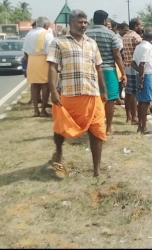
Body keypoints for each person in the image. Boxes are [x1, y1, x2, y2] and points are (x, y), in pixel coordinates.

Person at [47, 9, 108, 177]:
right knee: (61, 127)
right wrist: (53, 91)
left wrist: (104, 90)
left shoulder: (92, 43)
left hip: (92, 93)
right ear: (71, 23)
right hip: (69, 94)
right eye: (80, 22)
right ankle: (58, 151)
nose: (83, 25)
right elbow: (52, 67)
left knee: (97, 130)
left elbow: (99, 68)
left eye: (85, 22)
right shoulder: (58, 42)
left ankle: (96, 170)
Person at [85, 10, 127, 136]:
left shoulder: (85, 34)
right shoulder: (111, 35)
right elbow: (117, 56)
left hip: (89, 70)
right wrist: (123, 73)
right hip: (108, 70)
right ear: (105, 21)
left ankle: (92, 126)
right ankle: (108, 127)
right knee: (110, 99)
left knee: (92, 98)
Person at [22, 16, 55, 117]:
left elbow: (25, 50)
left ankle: (36, 110)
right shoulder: (47, 35)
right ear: (45, 25)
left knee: (34, 85)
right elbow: (51, 50)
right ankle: (43, 110)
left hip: (31, 60)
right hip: (44, 60)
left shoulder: (29, 33)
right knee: (45, 85)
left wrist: (29, 60)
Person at [132, 27, 152, 134]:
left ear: (143, 35)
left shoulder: (139, 47)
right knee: (145, 102)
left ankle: (140, 126)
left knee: (141, 102)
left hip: (140, 75)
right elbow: (142, 64)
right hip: (146, 76)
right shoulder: (148, 48)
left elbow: (133, 63)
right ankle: (143, 127)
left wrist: (139, 74)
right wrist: (142, 76)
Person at [122, 18, 144, 125]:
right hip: (135, 66)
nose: (142, 27)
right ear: (136, 26)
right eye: (141, 25)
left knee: (128, 92)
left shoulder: (125, 36)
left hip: (127, 65)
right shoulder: (136, 37)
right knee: (134, 92)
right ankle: (135, 117)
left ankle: (128, 116)